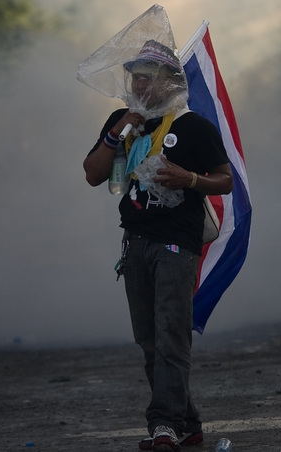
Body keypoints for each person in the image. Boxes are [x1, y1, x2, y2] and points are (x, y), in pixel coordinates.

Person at [83, 40, 233, 452]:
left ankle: (164, 425)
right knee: (149, 339)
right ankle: (188, 424)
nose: (139, 83)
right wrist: (118, 129)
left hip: (176, 246)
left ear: (170, 83)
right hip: (135, 244)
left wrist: (191, 180)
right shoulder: (123, 122)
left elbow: (227, 179)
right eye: (135, 76)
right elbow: (94, 174)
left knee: (171, 336)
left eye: (148, 76)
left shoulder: (193, 127)